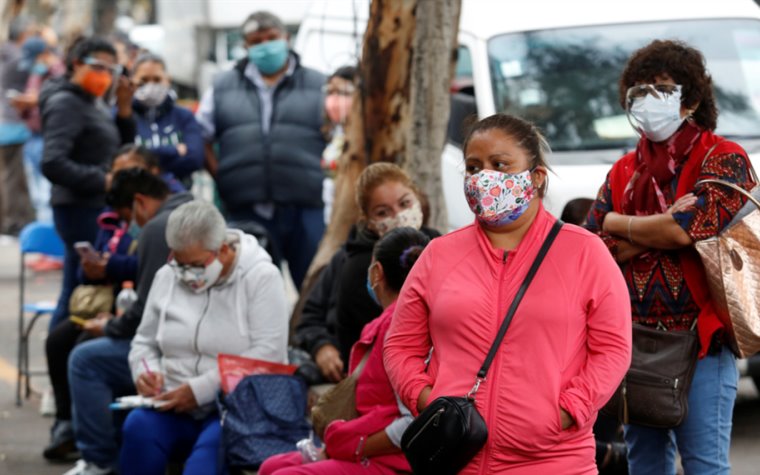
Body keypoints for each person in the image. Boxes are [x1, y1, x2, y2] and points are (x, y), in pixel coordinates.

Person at [383, 114, 632, 474]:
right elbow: (400, 346)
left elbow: (613, 348)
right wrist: (426, 399)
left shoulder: (584, 252)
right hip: (458, 459)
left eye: (499, 164)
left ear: (536, 176)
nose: (484, 177)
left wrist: (568, 410)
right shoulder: (438, 255)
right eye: (473, 167)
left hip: (555, 462)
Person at [584, 40, 756, 475]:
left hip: (701, 344)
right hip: (633, 342)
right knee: (644, 465)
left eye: (661, 89)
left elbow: (689, 229)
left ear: (690, 100)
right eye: (638, 90)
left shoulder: (724, 159)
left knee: (704, 466)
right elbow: (593, 247)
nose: (647, 100)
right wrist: (659, 226)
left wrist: (619, 223)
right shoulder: (624, 170)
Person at [119, 201, 289, 475]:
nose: (187, 276)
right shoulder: (167, 276)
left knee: (203, 466)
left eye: (196, 266)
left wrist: (200, 390)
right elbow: (144, 342)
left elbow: (269, 354)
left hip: (235, 409)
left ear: (223, 249)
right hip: (173, 402)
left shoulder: (261, 277)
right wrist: (145, 371)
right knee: (138, 428)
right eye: (180, 264)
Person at [42, 145, 184, 462]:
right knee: (61, 340)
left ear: (141, 197)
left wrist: (109, 325)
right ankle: (69, 427)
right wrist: (96, 269)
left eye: (127, 172)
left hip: (157, 334)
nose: (117, 179)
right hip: (131, 315)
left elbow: (147, 309)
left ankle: (98, 457)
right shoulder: (144, 216)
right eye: (115, 173)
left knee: (84, 357)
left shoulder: (158, 226)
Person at [260, 227, 430, 475]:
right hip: (370, 445)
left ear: (376, 272)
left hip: (397, 461)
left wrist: (355, 446)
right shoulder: (388, 323)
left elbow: (415, 421)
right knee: (271, 466)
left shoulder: (403, 328)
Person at [195, 10, 327, 290]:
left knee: (315, 288)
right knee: (251, 289)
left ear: (286, 38)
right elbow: (201, 136)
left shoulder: (318, 84)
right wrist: (222, 176)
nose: (265, 46)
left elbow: (337, 137)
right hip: (247, 209)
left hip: (305, 206)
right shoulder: (222, 86)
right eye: (256, 41)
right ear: (245, 46)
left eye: (271, 38)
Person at [295, 163, 439, 382]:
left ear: (417, 198)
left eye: (404, 203)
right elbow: (310, 317)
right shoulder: (352, 264)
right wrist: (321, 346)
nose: (399, 216)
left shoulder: (437, 245)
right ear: (368, 221)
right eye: (383, 212)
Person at [39, 36, 135, 330]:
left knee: (82, 290)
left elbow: (119, 149)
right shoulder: (66, 103)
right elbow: (53, 162)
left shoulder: (93, 101)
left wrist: (124, 111)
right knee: (79, 292)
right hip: (79, 208)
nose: (105, 75)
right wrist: (103, 180)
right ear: (77, 64)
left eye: (112, 69)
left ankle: (65, 350)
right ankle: (61, 350)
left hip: (95, 205)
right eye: (98, 67)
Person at [128, 53, 204, 185]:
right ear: (132, 82)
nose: (150, 85)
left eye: (157, 79)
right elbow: (124, 161)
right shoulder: (124, 118)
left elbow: (195, 159)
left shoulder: (184, 116)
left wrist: (142, 158)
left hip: (178, 192)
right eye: (143, 80)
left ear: (168, 80)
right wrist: (173, 150)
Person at [0, 15, 36, 236]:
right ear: (23, 35)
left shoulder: (5, 53)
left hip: (5, 123)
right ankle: (12, 222)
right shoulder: (18, 57)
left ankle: (10, 220)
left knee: (7, 176)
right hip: (12, 124)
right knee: (12, 178)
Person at [321, 65, 357, 224]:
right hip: (332, 215)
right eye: (330, 92)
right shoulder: (335, 132)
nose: (335, 100)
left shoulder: (366, 138)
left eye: (344, 93)